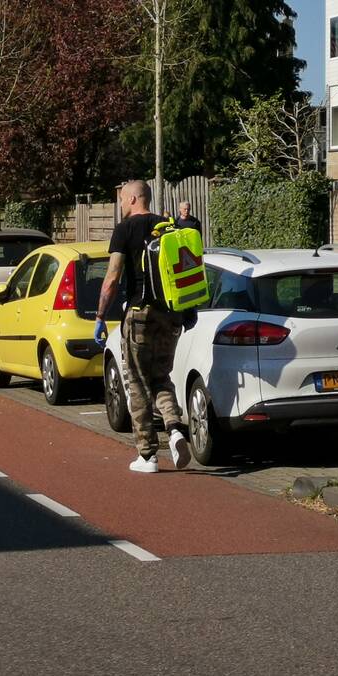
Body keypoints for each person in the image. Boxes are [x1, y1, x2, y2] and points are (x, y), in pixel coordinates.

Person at [95, 180, 198, 473]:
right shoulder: (168, 226)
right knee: (161, 377)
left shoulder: (123, 229)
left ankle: (147, 454)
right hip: (170, 315)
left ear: (131, 198)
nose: (120, 204)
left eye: (121, 199)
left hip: (139, 315)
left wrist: (101, 315)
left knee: (137, 382)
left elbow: (113, 276)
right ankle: (175, 428)